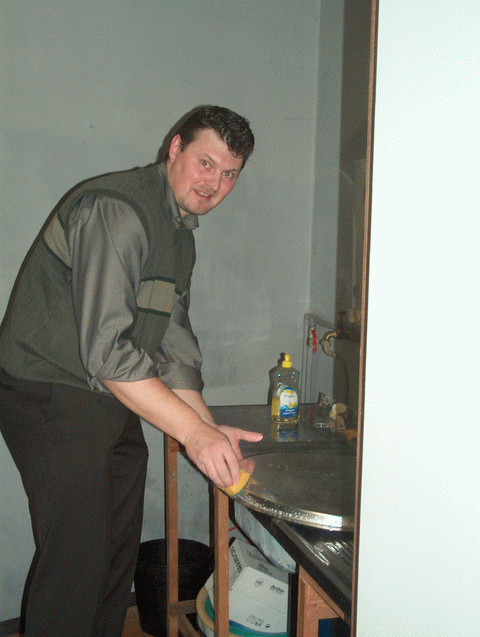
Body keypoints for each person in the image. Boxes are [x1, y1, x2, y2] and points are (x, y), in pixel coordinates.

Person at [0, 105, 262, 637]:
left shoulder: (180, 235)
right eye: (205, 163)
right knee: (77, 558)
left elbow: (174, 344)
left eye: (229, 173)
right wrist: (194, 436)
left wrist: (206, 429)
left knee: (116, 547)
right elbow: (107, 352)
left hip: (104, 391)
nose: (214, 183)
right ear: (175, 148)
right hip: (48, 388)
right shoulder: (117, 210)